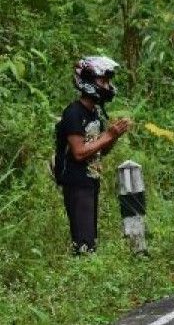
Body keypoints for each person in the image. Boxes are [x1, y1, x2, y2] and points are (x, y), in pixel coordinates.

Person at [53, 56, 131, 255]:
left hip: (90, 180)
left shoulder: (94, 113)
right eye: (103, 80)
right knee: (84, 244)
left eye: (107, 81)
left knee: (89, 240)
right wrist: (109, 135)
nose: (107, 85)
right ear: (88, 81)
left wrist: (112, 137)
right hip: (77, 182)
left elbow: (101, 150)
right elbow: (79, 153)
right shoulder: (73, 113)